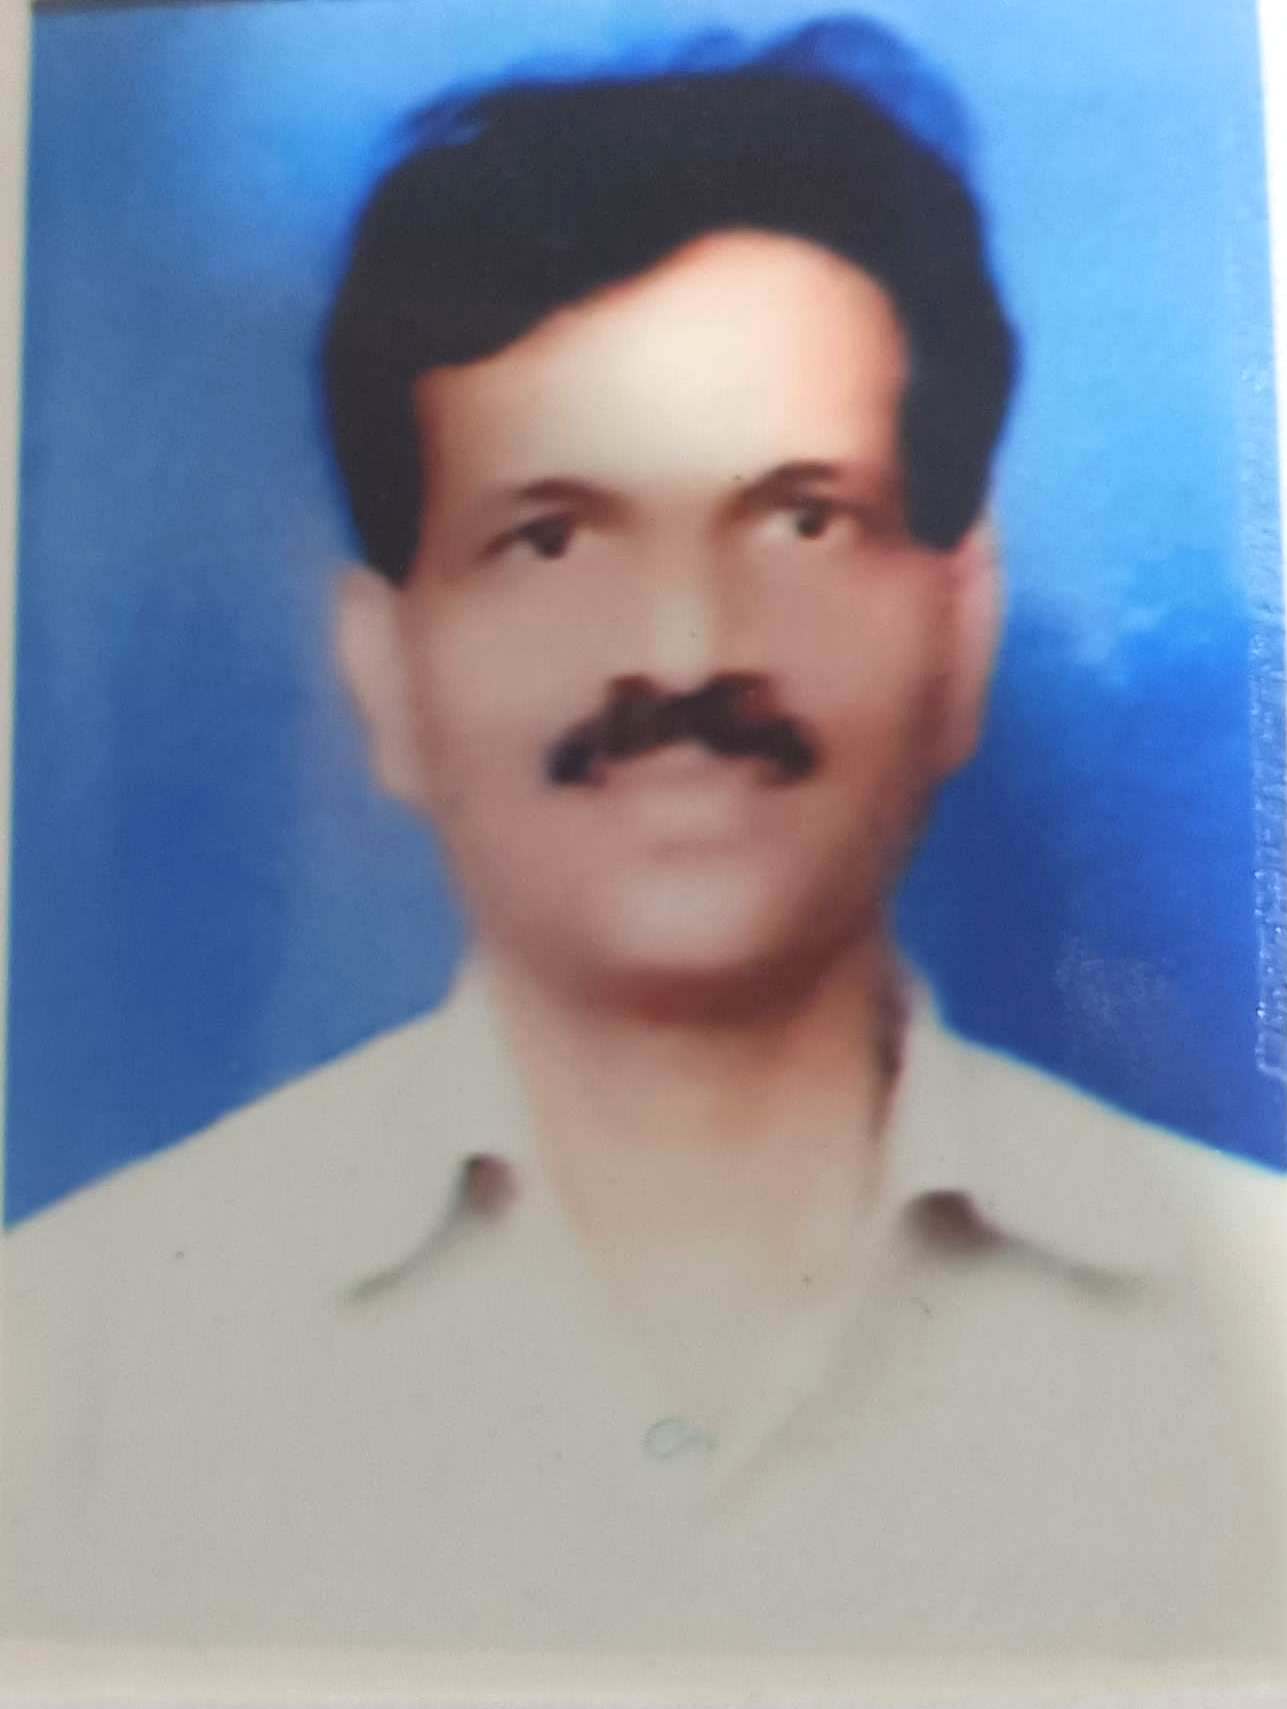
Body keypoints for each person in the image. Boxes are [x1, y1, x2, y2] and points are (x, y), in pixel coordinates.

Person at [3, 16, 1285, 1664]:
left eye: (802, 517)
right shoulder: (67, 1374)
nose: (682, 650)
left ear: (962, 630)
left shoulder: (1257, 1330)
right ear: (385, 672)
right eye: (550, 537)